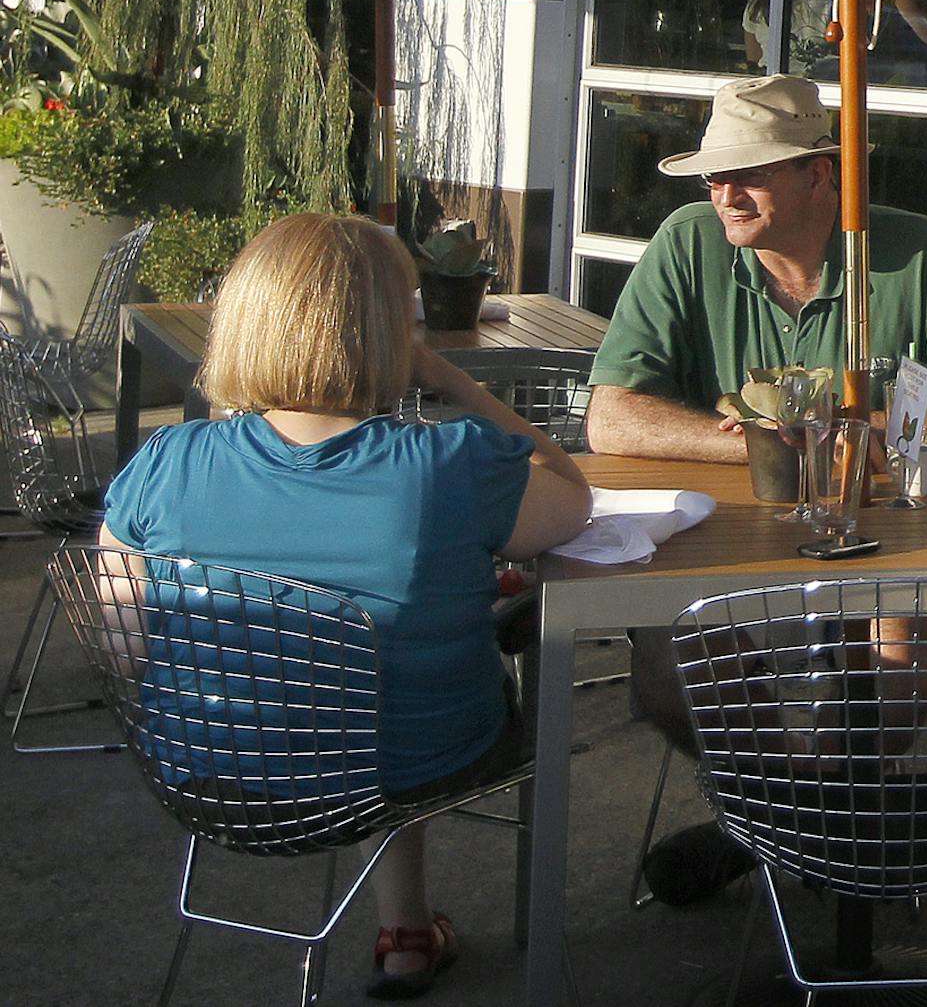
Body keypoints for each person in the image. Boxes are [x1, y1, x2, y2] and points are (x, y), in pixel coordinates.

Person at [97, 215, 592, 1000]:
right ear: (392, 330)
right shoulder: (446, 464)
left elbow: (126, 646)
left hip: (210, 769)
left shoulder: (164, 461)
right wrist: (459, 381)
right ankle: (410, 931)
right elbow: (573, 499)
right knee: (402, 682)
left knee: (353, 682)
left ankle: (406, 928)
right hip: (407, 759)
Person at [582, 73, 927, 902]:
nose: (723, 191)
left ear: (822, 171)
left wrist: (848, 429)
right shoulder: (688, 243)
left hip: (885, 546)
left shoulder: (918, 252)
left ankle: (769, 827)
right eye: (714, 173)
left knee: (909, 632)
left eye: (748, 170)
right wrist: (764, 441)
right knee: (670, 672)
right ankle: (822, 821)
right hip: (723, 553)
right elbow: (610, 419)